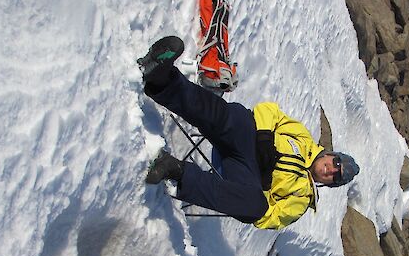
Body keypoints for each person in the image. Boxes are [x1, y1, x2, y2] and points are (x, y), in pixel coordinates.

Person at [139, 36, 360, 230]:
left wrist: (264, 184)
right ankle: (162, 80)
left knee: (254, 206)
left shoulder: (301, 200)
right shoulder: (303, 139)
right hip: (245, 136)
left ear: (329, 184)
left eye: (335, 177)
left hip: (244, 173)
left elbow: (266, 219)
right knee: (233, 117)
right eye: (336, 163)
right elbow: (269, 111)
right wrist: (264, 137)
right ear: (331, 154)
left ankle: (175, 170)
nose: (331, 170)